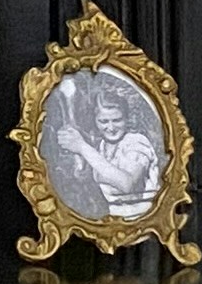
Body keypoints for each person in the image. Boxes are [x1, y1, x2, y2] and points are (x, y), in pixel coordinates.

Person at [49, 71, 164, 220]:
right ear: (95, 121)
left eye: (117, 120)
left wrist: (82, 147)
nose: (111, 127)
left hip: (144, 220)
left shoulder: (136, 142)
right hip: (116, 220)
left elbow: (126, 184)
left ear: (127, 119)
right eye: (103, 121)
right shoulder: (102, 147)